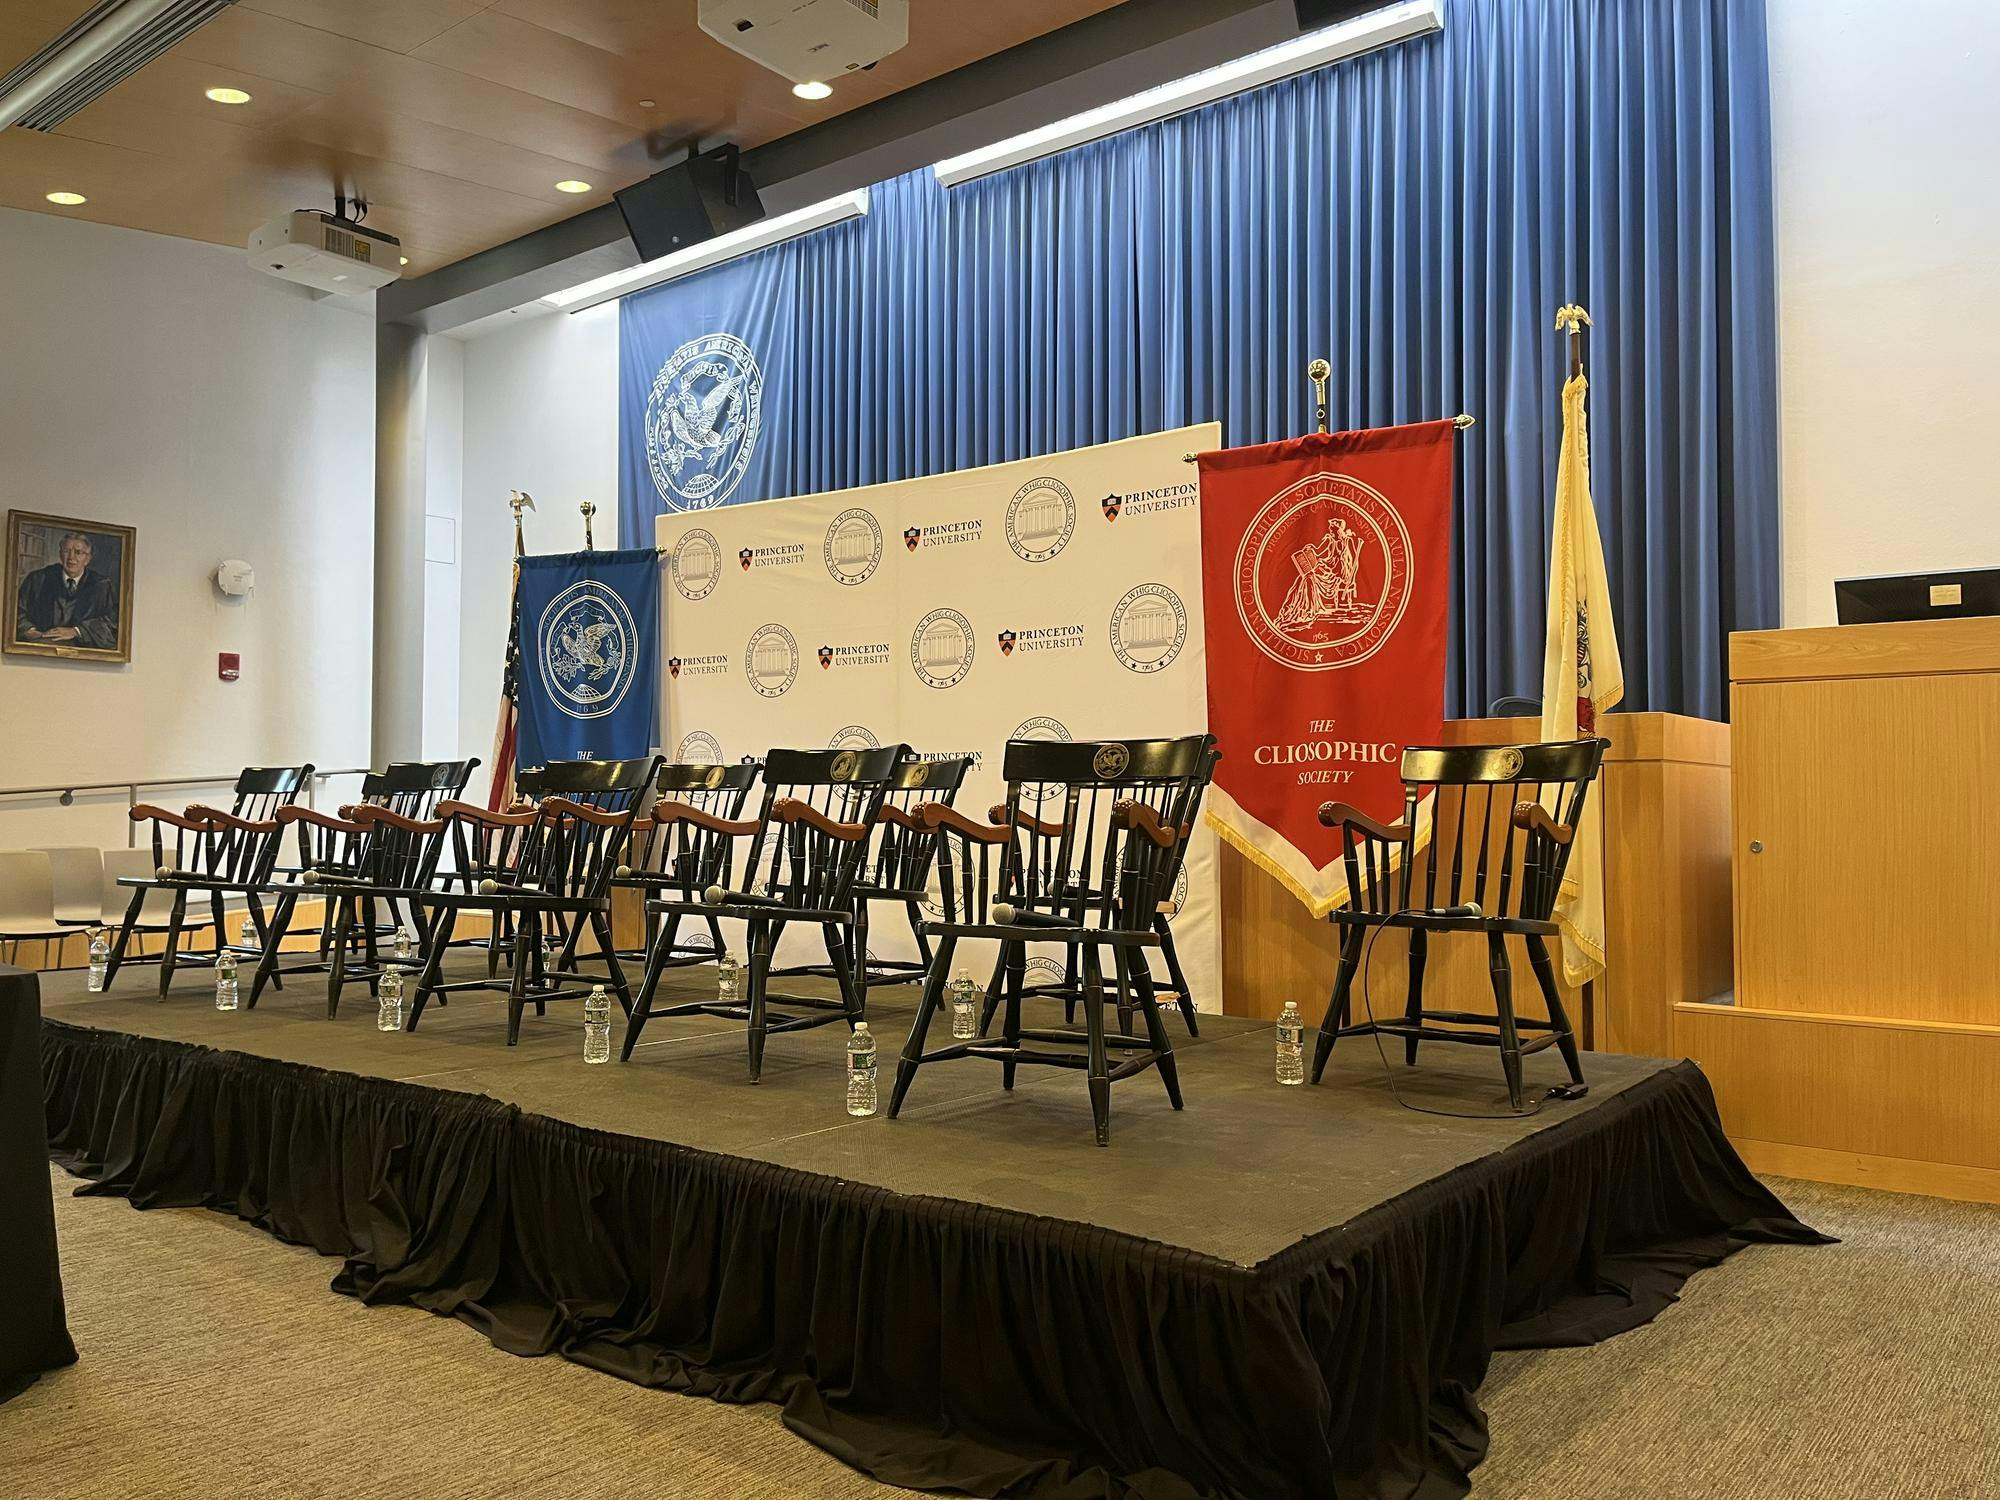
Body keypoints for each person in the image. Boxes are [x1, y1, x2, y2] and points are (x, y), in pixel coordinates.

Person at [15, 531, 118, 649]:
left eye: (78, 552)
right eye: (66, 551)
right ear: (60, 554)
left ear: (87, 559)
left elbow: (112, 624)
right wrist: (30, 630)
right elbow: (17, 612)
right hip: (41, 647)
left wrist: (76, 631)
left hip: (83, 653)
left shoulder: (102, 585)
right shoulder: (38, 579)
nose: (71, 558)